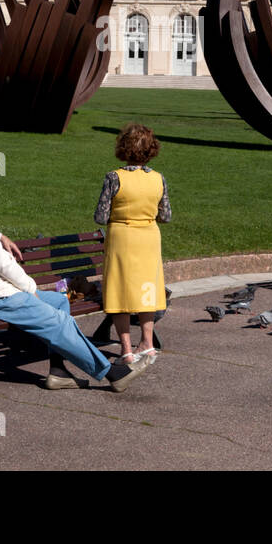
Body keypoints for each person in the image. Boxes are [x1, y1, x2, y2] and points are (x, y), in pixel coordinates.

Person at [0, 163, 148, 392]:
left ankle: (58, 372)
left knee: (59, 301)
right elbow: (0, 262)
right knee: (60, 321)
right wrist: (29, 287)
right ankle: (112, 373)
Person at [94, 123, 170, 365]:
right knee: (148, 288)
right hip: (148, 237)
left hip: (122, 237)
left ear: (123, 148)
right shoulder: (158, 178)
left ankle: (126, 349)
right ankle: (147, 342)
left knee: (120, 292)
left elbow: (100, 217)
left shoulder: (114, 177)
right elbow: (166, 216)